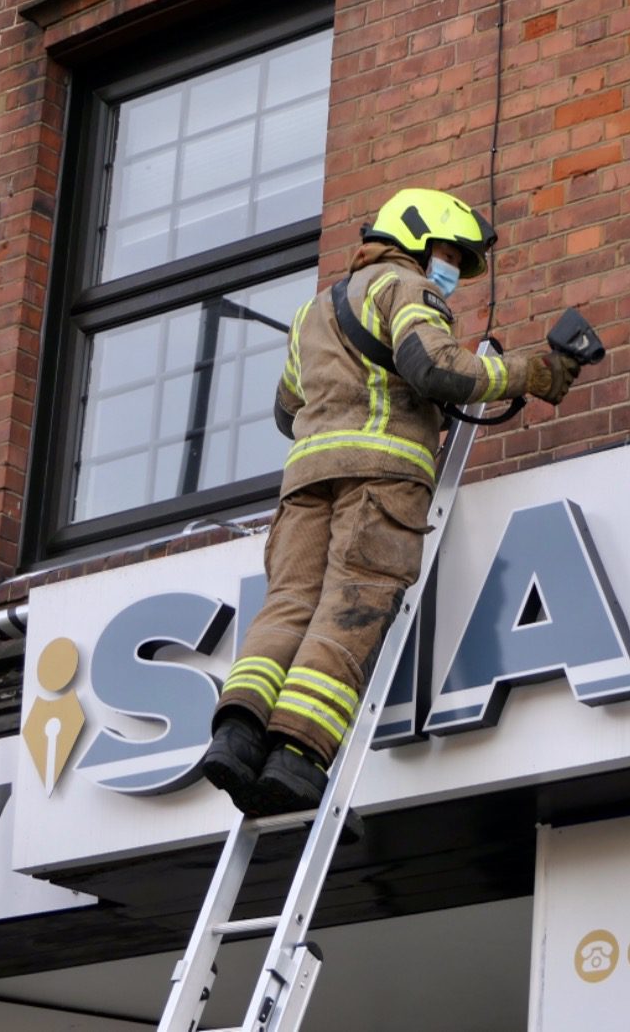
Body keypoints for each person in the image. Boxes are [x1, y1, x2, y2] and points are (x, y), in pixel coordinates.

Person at [202, 187, 583, 816]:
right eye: (451, 256)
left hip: (304, 485)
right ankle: (297, 756)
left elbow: (286, 408)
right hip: (381, 480)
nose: (453, 274)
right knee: (352, 605)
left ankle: (236, 735)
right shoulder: (407, 289)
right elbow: (439, 369)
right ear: (416, 242)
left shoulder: (313, 311)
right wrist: (532, 373)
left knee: (290, 604)